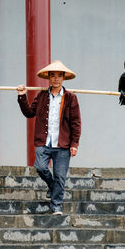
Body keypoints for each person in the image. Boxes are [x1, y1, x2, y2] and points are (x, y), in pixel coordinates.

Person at [17, 60, 81, 215]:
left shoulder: (71, 98)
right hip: (44, 143)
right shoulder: (42, 96)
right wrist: (22, 96)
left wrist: (74, 144)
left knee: (60, 176)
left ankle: (56, 206)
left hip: (63, 145)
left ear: (63, 78)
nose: (56, 79)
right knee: (40, 167)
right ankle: (52, 188)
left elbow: (76, 123)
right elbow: (29, 113)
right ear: (49, 78)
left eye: (59, 76)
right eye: (53, 76)